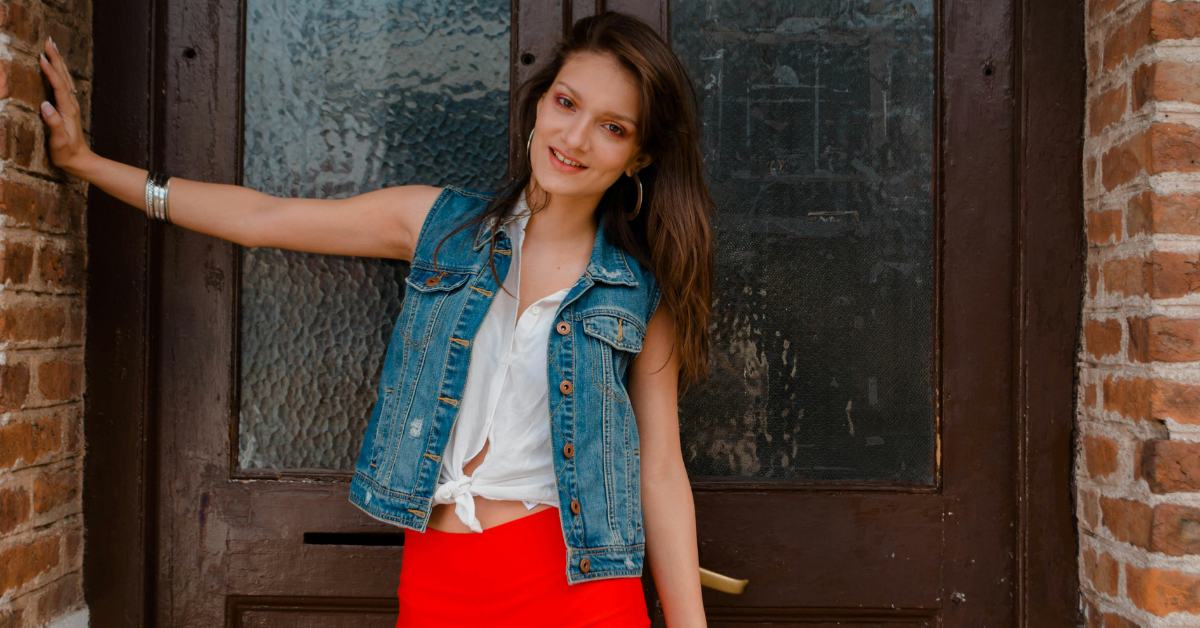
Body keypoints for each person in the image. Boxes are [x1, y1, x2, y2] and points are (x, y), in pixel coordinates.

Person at [39, 10, 714, 627]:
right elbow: (261, 218)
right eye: (566, 103)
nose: (575, 137)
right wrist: (85, 162)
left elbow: (659, 470)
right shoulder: (439, 227)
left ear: (639, 156)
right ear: (539, 103)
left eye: (612, 127)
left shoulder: (635, 290)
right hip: (439, 579)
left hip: (578, 587)